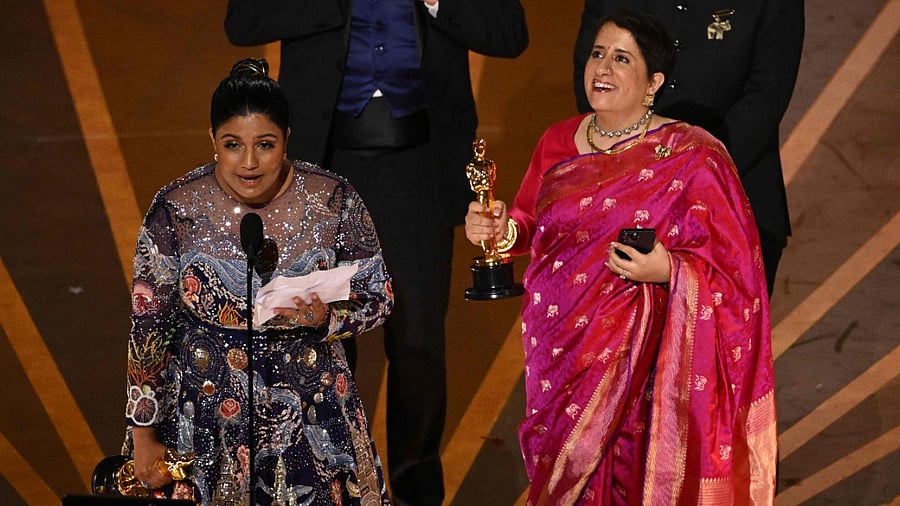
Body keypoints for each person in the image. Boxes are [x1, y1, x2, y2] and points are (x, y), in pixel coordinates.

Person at [465, 9, 777, 504]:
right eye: (597, 54)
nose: (602, 68)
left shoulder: (692, 154)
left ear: (653, 81)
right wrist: (497, 232)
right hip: (560, 346)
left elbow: (736, 272)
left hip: (644, 358)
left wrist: (670, 270)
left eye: (621, 58)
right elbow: (528, 225)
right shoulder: (557, 140)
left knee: (631, 470)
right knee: (567, 473)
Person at [224, 3, 528, 504]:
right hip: (326, 169)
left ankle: (415, 489)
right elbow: (244, 21)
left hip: (421, 173)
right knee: (321, 343)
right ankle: (327, 486)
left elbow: (509, 34)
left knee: (418, 343)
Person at [124, 58, 394, 506]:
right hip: (202, 422)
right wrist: (143, 434)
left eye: (264, 145)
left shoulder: (332, 199)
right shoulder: (177, 208)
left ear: (286, 140)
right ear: (213, 140)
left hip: (313, 418)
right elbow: (147, 329)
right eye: (233, 145)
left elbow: (380, 296)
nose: (248, 163)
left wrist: (330, 317)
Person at [574, 0, 804, 296]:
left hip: (732, 196)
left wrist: (692, 173)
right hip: (624, 194)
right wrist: (633, 164)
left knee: (714, 340)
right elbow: (592, 69)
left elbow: (767, 94)